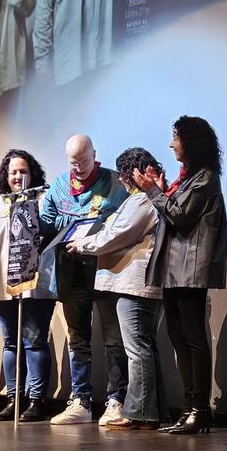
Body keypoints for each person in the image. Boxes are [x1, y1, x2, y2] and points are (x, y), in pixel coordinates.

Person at [134, 116, 227, 435]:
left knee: (192, 338)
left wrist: (153, 193)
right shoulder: (187, 178)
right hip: (175, 270)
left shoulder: (205, 178)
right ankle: (190, 408)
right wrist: (161, 191)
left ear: (190, 142)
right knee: (179, 338)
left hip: (190, 269)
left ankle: (200, 409)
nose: (171, 144)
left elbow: (180, 216)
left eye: (175, 138)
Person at [66, 147, 166, 431]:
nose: (121, 181)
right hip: (138, 283)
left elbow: (115, 235)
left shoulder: (141, 201)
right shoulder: (148, 199)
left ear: (131, 174)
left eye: (124, 174)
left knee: (137, 350)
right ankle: (151, 411)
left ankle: (140, 413)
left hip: (133, 284)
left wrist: (82, 244)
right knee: (145, 348)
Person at [40, 134, 129, 424]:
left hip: (106, 267)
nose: (78, 167)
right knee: (78, 338)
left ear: (95, 154)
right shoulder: (58, 185)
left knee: (114, 339)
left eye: (84, 161)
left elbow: (127, 221)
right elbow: (47, 223)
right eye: (73, 162)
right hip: (70, 269)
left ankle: (117, 399)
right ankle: (81, 401)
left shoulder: (114, 182)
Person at [0, 149, 53, 422]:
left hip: (35, 286)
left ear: (33, 173)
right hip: (2, 286)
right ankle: (14, 398)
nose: (18, 176)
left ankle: (36, 401)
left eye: (23, 171)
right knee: (11, 343)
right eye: (13, 172)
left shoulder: (44, 200)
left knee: (35, 341)